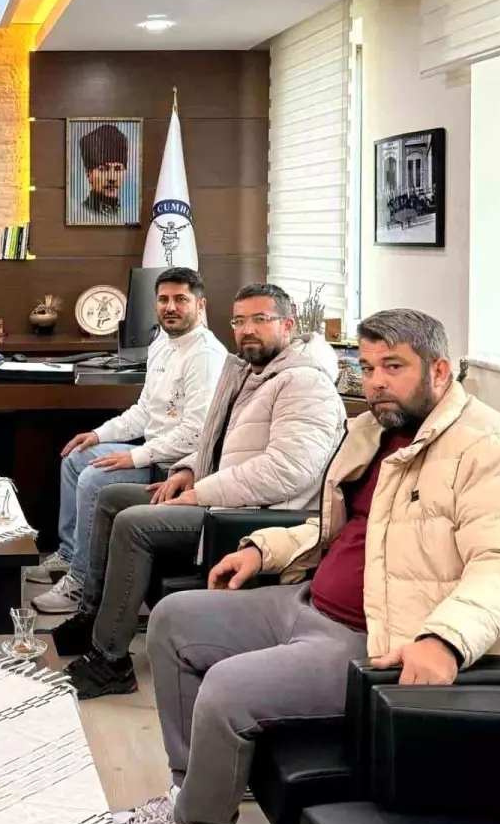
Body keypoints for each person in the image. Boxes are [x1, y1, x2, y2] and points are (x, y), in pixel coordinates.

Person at [110, 308, 500, 824]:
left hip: (374, 638)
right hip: (310, 600)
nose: (376, 382)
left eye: (393, 366)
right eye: (367, 368)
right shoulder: (374, 433)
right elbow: (334, 530)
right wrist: (263, 549)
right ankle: (192, 793)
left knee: (226, 687)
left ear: (440, 370)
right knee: (174, 621)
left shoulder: (493, 448)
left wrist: (446, 639)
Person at [58, 283, 345, 686]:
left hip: (257, 517)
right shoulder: (252, 372)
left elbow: (287, 471)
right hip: (223, 497)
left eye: (260, 319)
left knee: (133, 523)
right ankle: (91, 616)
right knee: (111, 497)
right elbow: (219, 440)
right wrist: (188, 470)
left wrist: (202, 492)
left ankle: (110, 661)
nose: (247, 330)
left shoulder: (305, 384)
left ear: (288, 325)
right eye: (239, 321)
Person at [29, 268, 227, 614]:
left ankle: (82, 583)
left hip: (177, 467)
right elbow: (143, 411)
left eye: (181, 299)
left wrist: (135, 458)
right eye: (163, 299)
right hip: (153, 452)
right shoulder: (162, 343)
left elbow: (197, 433)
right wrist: (99, 434)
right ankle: (70, 553)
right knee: (77, 456)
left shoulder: (205, 355)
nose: (170, 307)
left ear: (201, 305)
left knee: (94, 477)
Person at [78, 123, 128, 218]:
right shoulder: (81, 214)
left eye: (118, 169)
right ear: (89, 174)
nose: (112, 178)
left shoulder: (126, 214)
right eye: (103, 169)